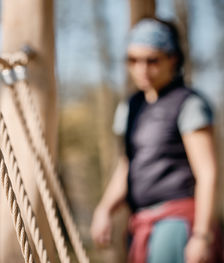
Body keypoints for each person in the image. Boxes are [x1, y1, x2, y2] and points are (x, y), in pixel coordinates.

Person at [90, 18, 218, 263]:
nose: (142, 69)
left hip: (177, 223)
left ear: (173, 59)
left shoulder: (189, 105)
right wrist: (104, 208)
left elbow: (207, 173)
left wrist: (202, 235)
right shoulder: (131, 106)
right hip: (142, 222)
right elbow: (129, 165)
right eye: (133, 60)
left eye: (152, 60)